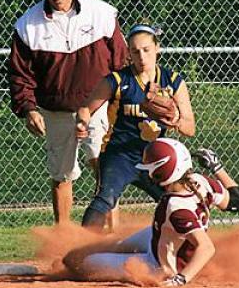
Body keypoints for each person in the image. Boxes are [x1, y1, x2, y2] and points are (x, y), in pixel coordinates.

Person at [8, 0, 128, 224]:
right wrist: (28, 108)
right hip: (56, 111)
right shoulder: (28, 24)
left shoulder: (102, 14)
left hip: (97, 107)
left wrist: (122, 101)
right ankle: (63, 237)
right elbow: (20, 74)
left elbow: (120, 62)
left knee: (104, 168)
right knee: (62, 175)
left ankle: (112, 235)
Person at [63, 138, 239, 286]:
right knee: (113, 246)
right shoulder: (200, 181)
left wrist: (180, 279)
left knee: (81, 264)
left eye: (152, 169)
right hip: (161, 239)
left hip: (161, 265)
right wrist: (217, 168)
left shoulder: (176, 207)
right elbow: (237, 203)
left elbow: (206, 248)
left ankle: (87, 258)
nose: (149, 174)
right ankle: (95, 251)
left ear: (162, 172)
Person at [76, 23, 195, 230]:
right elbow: (86, 108)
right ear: (129, 53)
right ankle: (79, 250)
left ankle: (186, 250)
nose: (141, 57)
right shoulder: (118, 79)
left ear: (157, 48)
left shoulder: (172, 81)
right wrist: (82, 122)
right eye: (135, 51)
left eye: (147, 50)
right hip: (119, 154)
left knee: (180, 199)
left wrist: (175, 120)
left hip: (156, 157)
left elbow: (190, 128)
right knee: (105, 198)